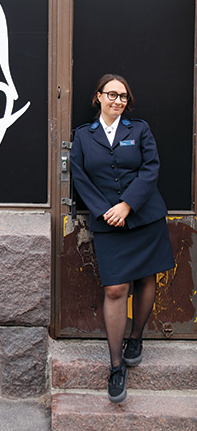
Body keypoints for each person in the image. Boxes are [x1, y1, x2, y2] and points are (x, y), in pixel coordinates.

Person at [70, 73, 175, 404]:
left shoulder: (139, 130)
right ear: (98, 97)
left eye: (123, 96)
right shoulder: (83, 136)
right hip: (108, 222)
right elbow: (80, 177)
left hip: (144, 217)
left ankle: (136, 338)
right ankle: (116, 366)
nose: (118, 100)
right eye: (112, 94)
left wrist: (128, 204)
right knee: (115, 289)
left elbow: (151, 168)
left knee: (146, 279)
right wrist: (105, 211)